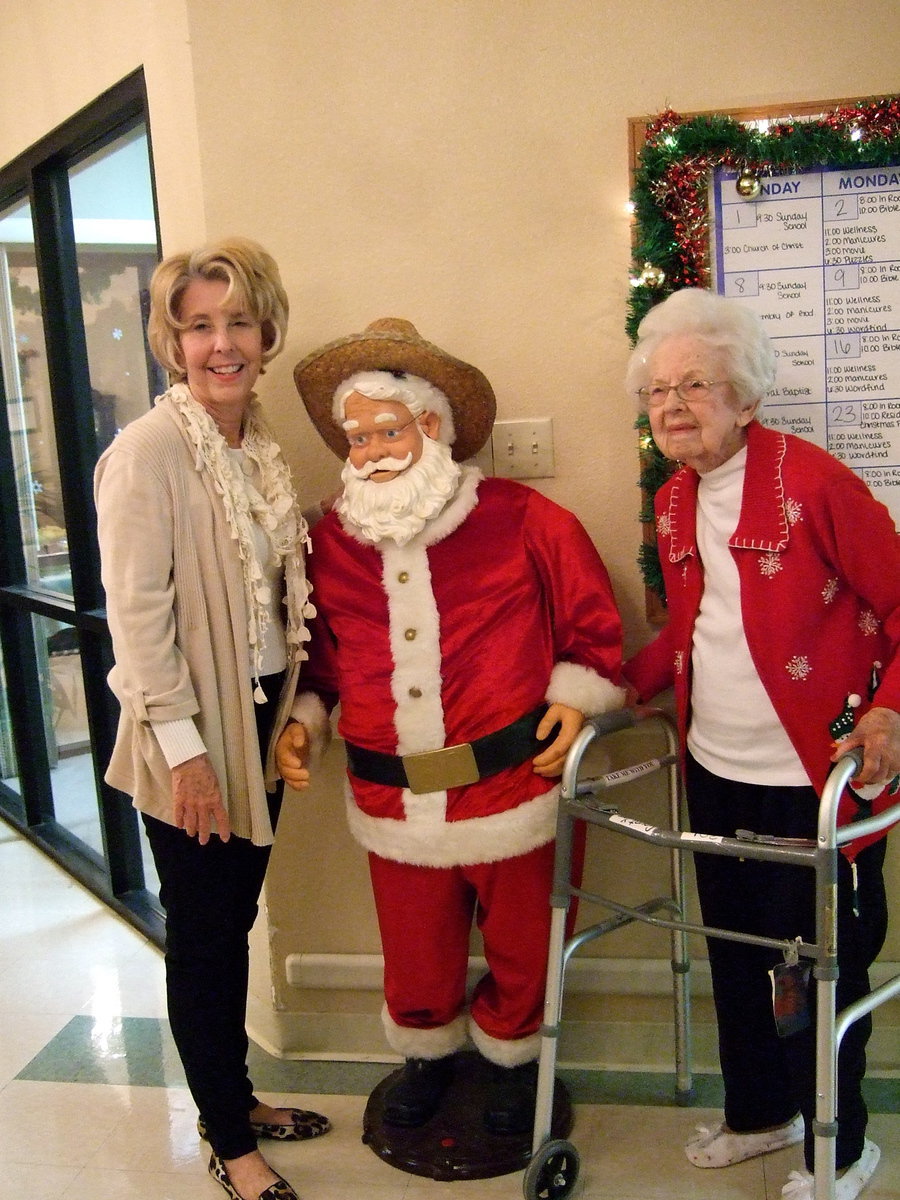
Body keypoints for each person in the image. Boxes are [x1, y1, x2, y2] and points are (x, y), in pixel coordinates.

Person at [277, 318, 625, 1135]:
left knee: (523, 941)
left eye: (386, 430)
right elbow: (320, 659)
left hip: (513, 787)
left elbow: (591, 625)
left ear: (431, 427)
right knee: (415, 943)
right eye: (356, 438)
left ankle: (513, 1057)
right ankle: (425, 1054)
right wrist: (305, 722)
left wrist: (578, 698)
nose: (369, 452)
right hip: (391, 799)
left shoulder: (525, 518)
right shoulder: (329, 542)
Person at [622, 287, 899, 1200]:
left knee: (823, 966)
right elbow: (693, 629)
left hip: (814, 778)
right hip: (717, 768)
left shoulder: (815, 483)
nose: (672, 405)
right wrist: (612, 691)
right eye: (658, 389)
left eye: (695, 384)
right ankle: (760, 1114)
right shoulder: (672, 501)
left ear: (746, 395)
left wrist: (890, 712)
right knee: (737, 952)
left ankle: (840, 1145)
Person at [94, 237, 328, 1200]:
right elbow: (138, 624)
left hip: (262, 716)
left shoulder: (255, 444)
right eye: (199, 326)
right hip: (189, 731)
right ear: (171, 341)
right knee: (203, 934)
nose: (220, 343)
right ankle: (231, 1142)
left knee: (231, 921)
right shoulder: (148, 452)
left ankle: (232, 1095)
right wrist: (186, 757)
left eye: (237, 321)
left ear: (266, 332)